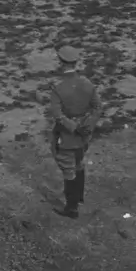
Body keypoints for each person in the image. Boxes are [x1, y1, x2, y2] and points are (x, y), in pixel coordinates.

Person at [48, 46, 102, 219]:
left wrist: (72, 126)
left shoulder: (58, 87)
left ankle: (71, 208)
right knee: (79, 164)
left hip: (66, 136)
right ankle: (78, 197)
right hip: (84, 135)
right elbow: (97, 107)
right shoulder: (87, 83)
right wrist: (88, 125)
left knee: (68, 170)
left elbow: (58, 115)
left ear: (61, 63)